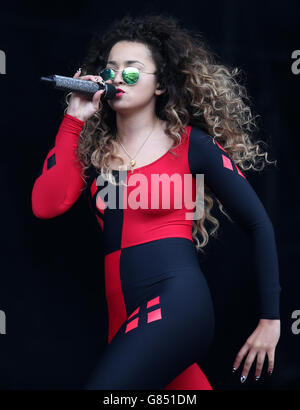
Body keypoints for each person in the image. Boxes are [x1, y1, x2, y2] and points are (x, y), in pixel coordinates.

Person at [31, 14, 281, 390]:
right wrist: (74, 119)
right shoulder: (92, 151)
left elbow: (259, 223)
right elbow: (46, 205)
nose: (117, 79)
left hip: (178, 304)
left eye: (131, 72)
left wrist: (271, 320)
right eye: (110, 70)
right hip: (124, 317)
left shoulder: (191, 146)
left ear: (161, 84)